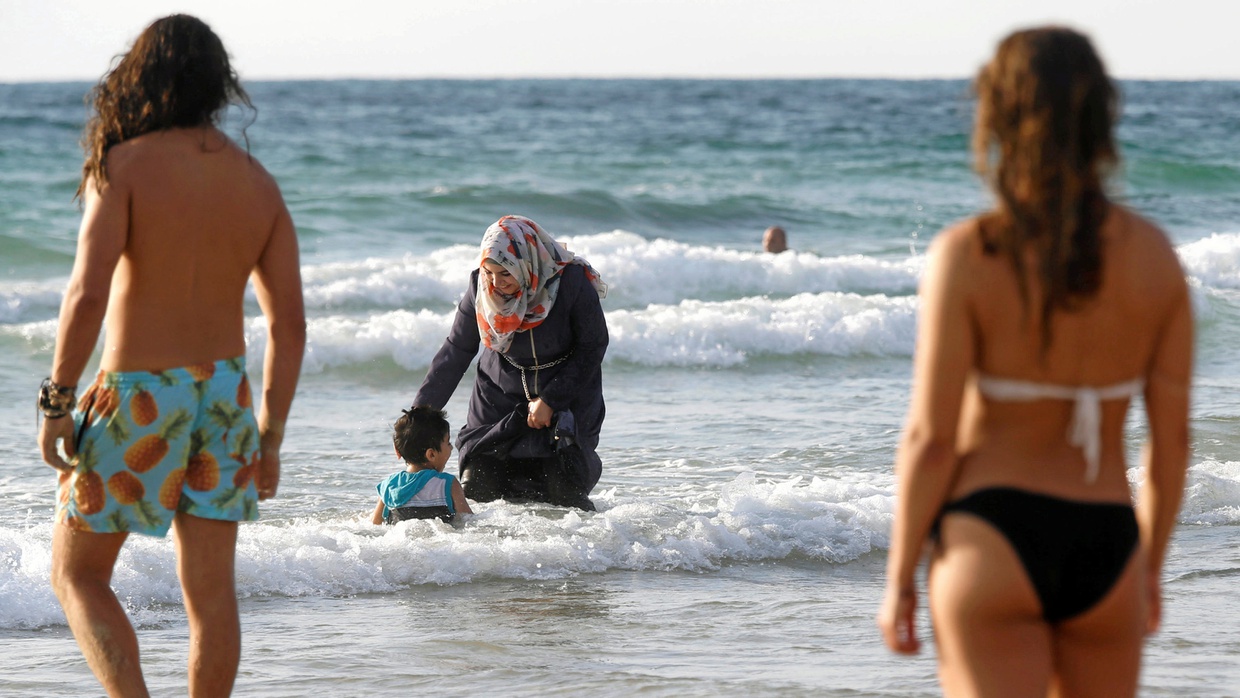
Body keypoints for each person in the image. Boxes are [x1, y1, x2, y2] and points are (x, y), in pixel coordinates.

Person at [877, 27, 1192, 697]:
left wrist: (900, 579)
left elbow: (930, 440)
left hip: (989, 538)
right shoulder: (1155, 258)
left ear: (997, 115)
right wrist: (1150, 570)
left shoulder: (969, 254)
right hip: (1107, 542)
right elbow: (1171, 447)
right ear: (1101, 118)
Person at [36, 15, 306, 697]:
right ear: (219, 85)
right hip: (223, 396)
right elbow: (289, 326)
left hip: (136, 394)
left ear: (140, 77)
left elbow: (85, 296)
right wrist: (269, 437)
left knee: (78, 575)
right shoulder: (259, 184)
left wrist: (58, 403)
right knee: (211, 598)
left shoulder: (123, 165)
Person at [413, 215, 608, 511]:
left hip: (566, 399)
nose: (495, 283)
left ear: (526, 264)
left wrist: (552, 400)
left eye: (504, 273)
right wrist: (419, 417)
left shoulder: (570, 282)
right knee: (477, 488)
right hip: (497, 400)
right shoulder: (480, 285)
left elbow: (593, 347)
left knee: (564, 497)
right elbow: (457, 349)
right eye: (488, 272)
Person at [371, 406, 472, 524]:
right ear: (431, 454)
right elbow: (469, 521)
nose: (451, 447)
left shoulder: (389, 485)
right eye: (448, 442)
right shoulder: (447, 483)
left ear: (397, 451)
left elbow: (375, 523)